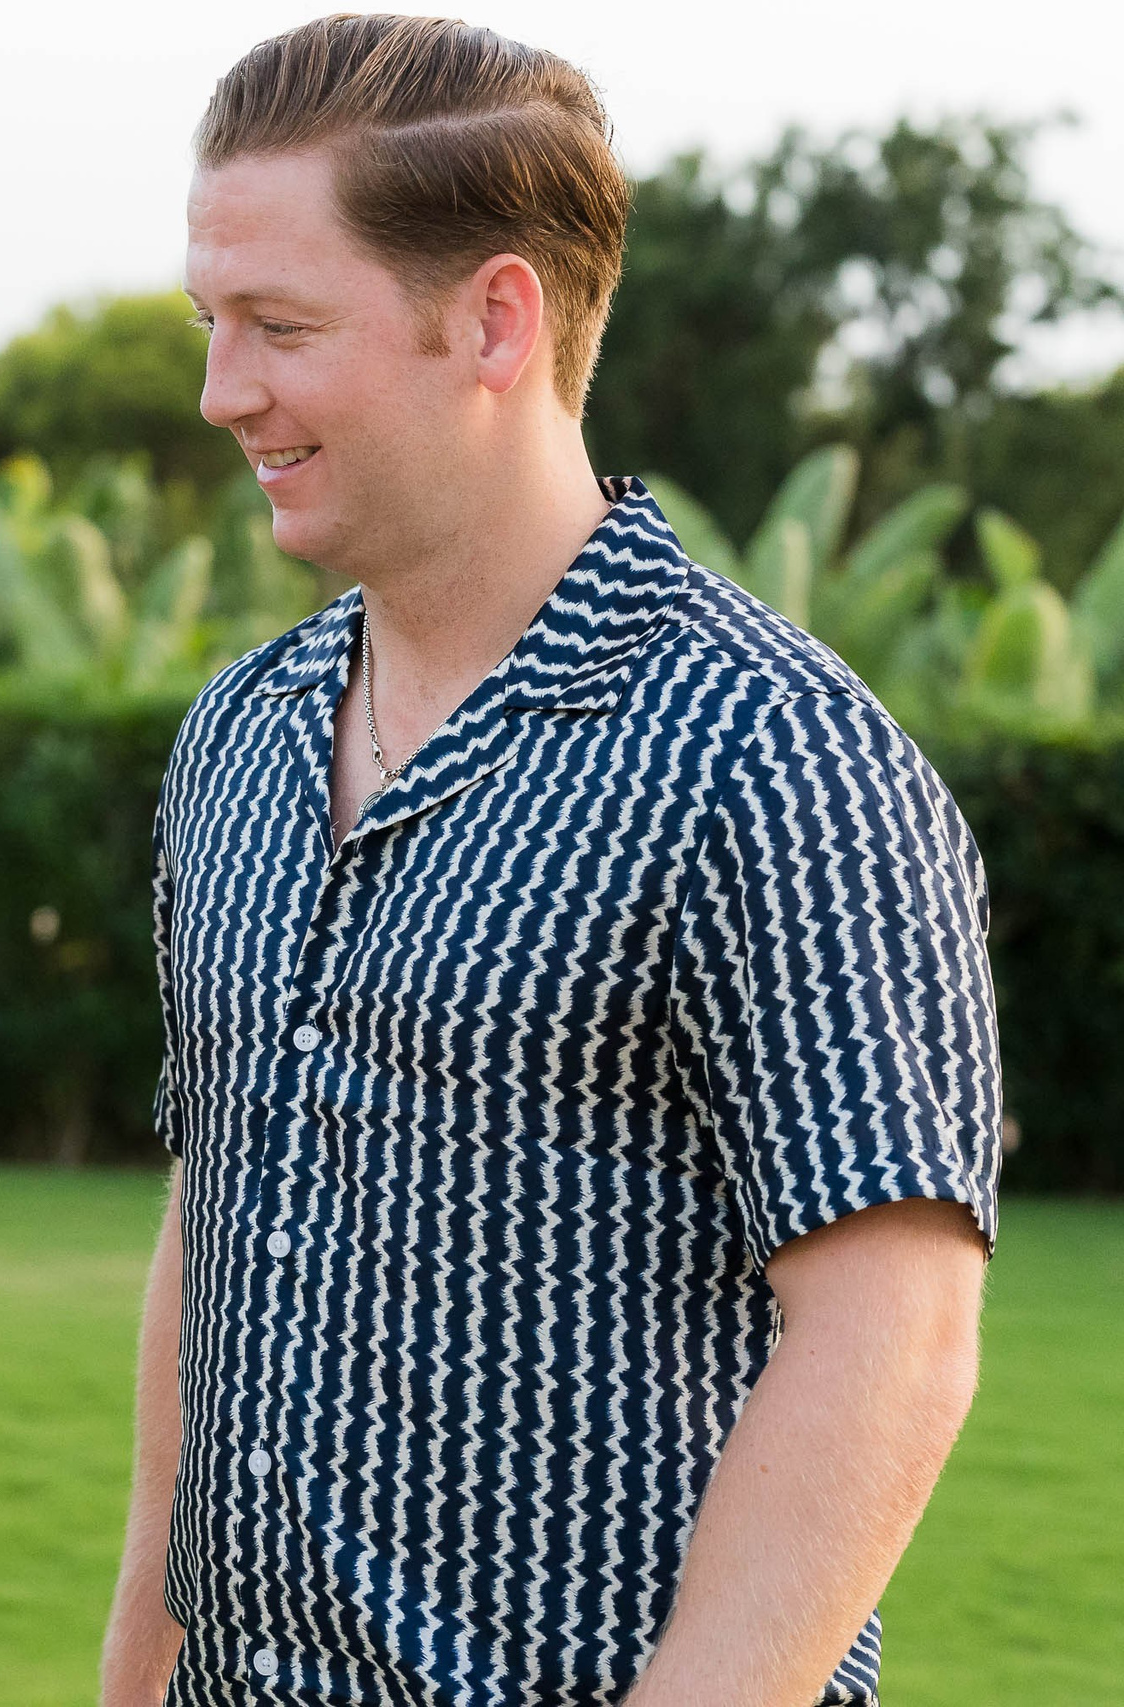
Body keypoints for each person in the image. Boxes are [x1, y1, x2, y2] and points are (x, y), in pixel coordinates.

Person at [102, 18, 998, 1707]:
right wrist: (137, 1674)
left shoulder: (773, 753)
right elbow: (209, 1223)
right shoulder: (237, 735)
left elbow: (895, 1338)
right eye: (209, 325)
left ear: (496, 318)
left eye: (282, 328)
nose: (223, 392)